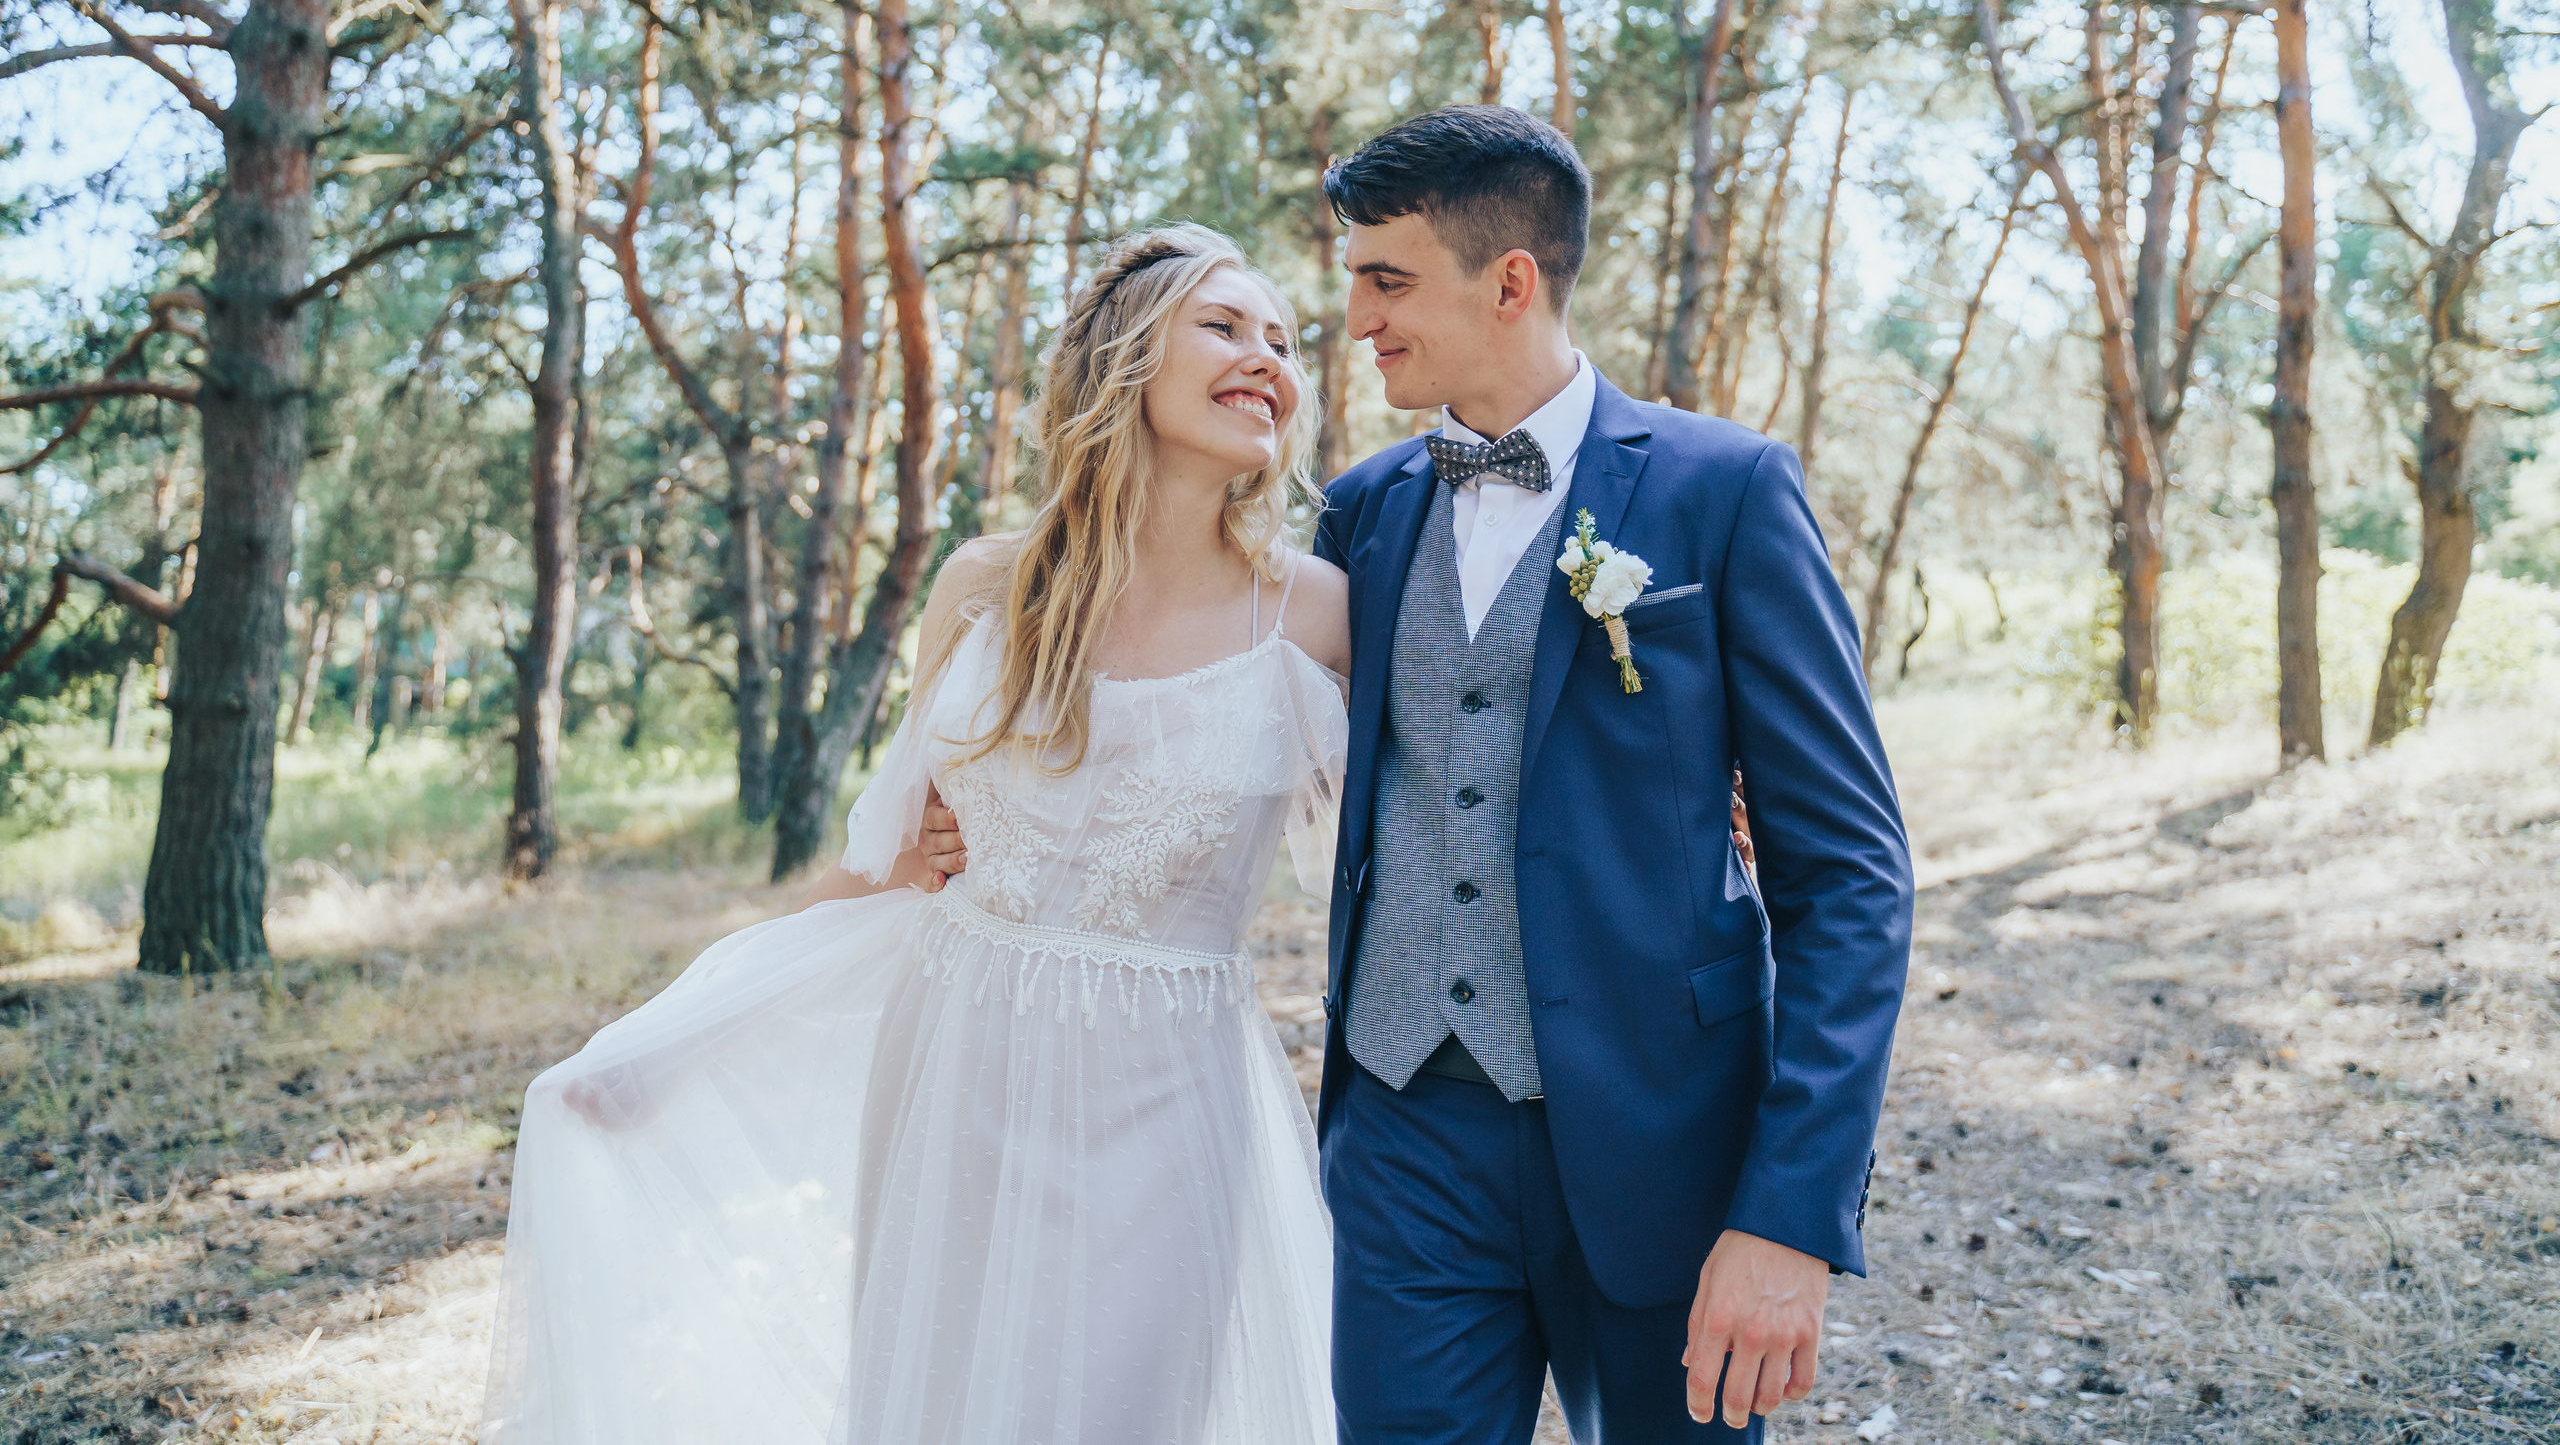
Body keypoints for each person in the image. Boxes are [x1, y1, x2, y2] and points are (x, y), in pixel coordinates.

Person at [481, 223, 1354, 1445]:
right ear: (1124, 360)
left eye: (1284, 340)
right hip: (958, 1069)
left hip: (1166, 1088)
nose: (1268, 357)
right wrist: (663, 1046)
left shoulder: (1313, 613)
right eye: (1226, 326)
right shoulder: (989, 588)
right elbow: (882, 861)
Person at [1310, 106, 1913, 1443]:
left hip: (1669, 1148)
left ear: (1510, 279)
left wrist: (1789, 1211)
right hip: (1406, 1138)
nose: (1356, 316)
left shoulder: (1728, 489)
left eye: (1386, 278)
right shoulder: (1359, 511)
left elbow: (1851, 875)